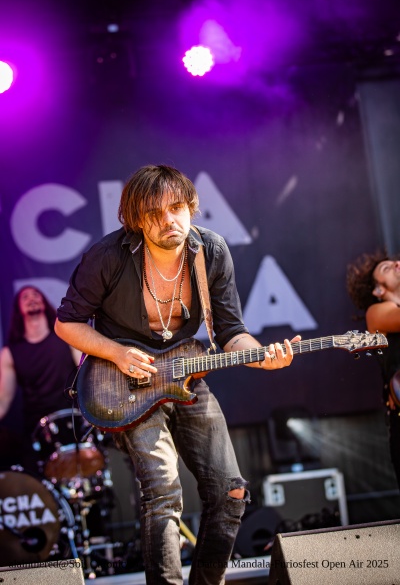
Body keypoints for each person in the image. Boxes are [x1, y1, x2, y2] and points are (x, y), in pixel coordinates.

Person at [55, 164, 300, 585]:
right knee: (164, 490)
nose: (169, 220)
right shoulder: (108, 256)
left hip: (185, 378)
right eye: (154, 213)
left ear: (191, 207)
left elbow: (232, 333)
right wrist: (117, 352)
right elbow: (66, 324)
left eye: (177, 208)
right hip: (124, 383)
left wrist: (263, 357)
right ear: (136, 220)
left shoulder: (211, 252)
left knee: (231, 493)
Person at [0, 286, 81, 472]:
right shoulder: (10, 353)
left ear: (44, 302)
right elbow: (3, 400)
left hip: (72, 422)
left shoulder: (66, 337)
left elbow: (86, 373)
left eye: (36, 294)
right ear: (19, 309)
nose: (31, 298)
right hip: (37, 431)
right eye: (25, 297)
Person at [346, 251, 400, 489]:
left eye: (395, 262)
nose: (397, 264)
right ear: (379, 290)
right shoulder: (376, 313)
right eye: (387, 268)